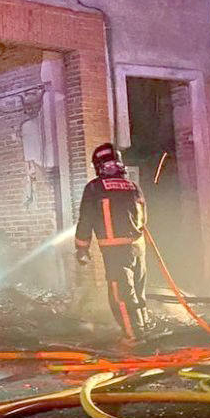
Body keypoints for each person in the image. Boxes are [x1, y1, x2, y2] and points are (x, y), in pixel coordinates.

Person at [74, 143, 149, 344]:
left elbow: (86, 219)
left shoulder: (94, 188)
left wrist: (82, 248)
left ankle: (133, 336)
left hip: (115, 250)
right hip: (138, 247)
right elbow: (144, 219)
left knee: (121, 294)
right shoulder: (134, 186)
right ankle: (143, 326)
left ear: (98, 166)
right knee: (138, 290)